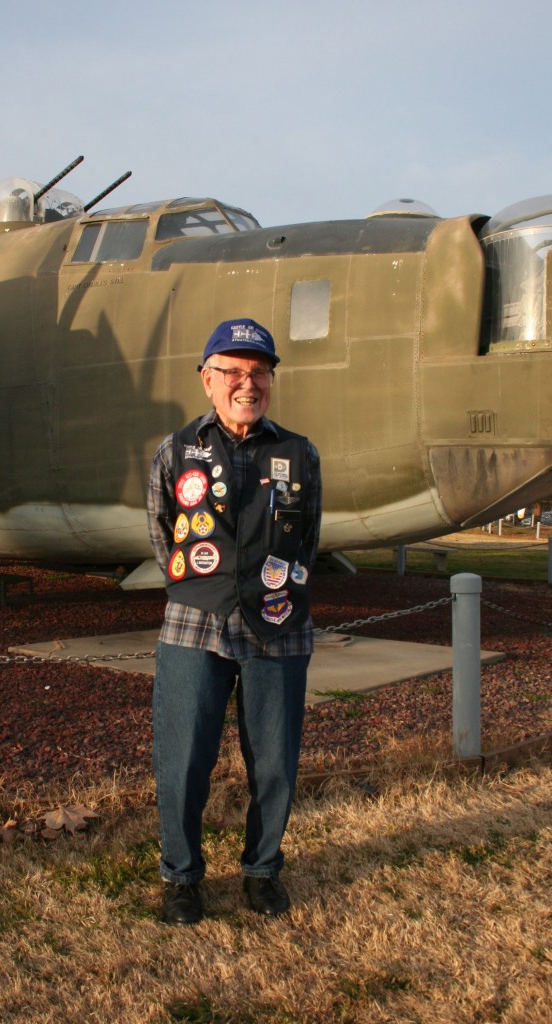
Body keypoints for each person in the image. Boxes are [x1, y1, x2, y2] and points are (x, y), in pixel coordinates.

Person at [146, 317, 322, 925]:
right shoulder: (175, 450)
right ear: (207, 379)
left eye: (260, 372)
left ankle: (262, 871)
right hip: (195, 622)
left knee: (274, 761)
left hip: (279, 625)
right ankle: (181, 878)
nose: (248, 384)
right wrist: (203, 585)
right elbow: (161, 531)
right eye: (233, 372)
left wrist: (273, 591)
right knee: (183, 759)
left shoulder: (299, 453)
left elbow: (309, 540)